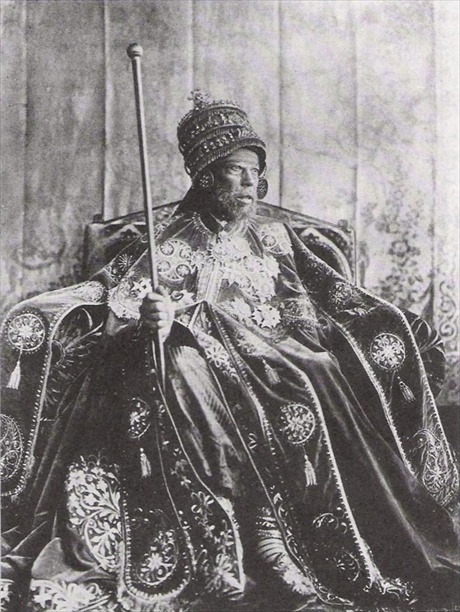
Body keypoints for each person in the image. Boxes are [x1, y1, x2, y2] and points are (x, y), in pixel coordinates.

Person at [1, 91, 458, 612]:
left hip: (282, 359)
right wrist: (155, 319)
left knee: (319, 370)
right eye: (234, 171)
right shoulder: (166, 242)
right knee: (184, 367)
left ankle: (293, 539)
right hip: (212, 369)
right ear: (205, 177)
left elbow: (322, 303)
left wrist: (378, 329)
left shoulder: (276, 240)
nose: (247, 183)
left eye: (253, 172)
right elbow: (121, 310)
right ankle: (253, 541)